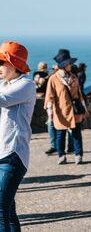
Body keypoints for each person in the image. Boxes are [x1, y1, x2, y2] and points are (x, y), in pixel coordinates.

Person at [0, 41, 36, 231]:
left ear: (13, 64)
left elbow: (2, 100)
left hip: (13, 154)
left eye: (1, 62)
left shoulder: (26, 85)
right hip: (2, 153)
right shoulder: (5, 83)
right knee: (8, 211)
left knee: (0, 211)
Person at [45, 49, 88, 165]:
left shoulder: (74, 77)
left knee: (76, 134)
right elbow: (49, 97)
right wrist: (50, 114)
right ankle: (61, 155)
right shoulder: (53, 79)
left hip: (75, 110)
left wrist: (84, 108)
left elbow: (79, 94)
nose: (71, 65)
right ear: (64, 65)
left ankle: (78, 155)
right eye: (69, 63)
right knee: (60, 135)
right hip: (60, 111)